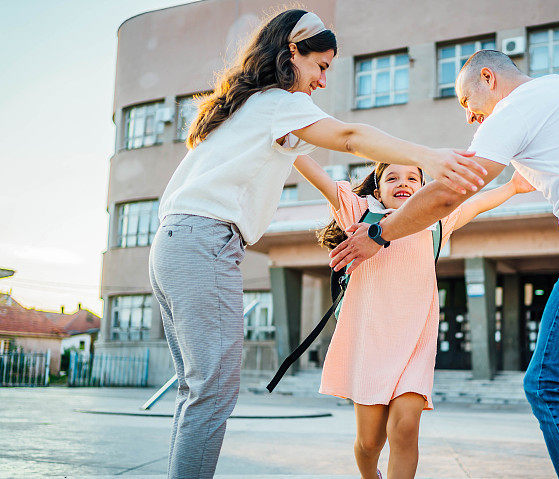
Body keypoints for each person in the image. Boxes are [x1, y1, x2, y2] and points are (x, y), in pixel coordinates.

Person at [148, 9, 486, 479]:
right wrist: (429, 156)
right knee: (212, 392)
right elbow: (349, 136)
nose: (323, 81)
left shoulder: (247, 107)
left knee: (196, 390)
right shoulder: (275, 101)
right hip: (204, 242)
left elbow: (307, 158)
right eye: (321, 66)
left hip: (175, 243)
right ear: (292, 52)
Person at [329, 50, 559, 479]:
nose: (470, 119)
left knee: (549, 384)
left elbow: (452, 192)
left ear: (488, 78)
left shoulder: (515, 106)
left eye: (468, 104)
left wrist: (379, 233)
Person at [293, 154, 533, 479]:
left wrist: (514, 186)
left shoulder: (436, 220)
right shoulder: (360, 212)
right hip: (370, 343)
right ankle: (369, 475)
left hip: (415, 343)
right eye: (392, 178)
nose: (403, 183)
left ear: (423, 188)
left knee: (405, 428)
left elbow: (476, 203)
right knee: (369, 442)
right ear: (377, 190)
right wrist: (287, 141)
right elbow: (320, 177)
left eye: (412, 178)